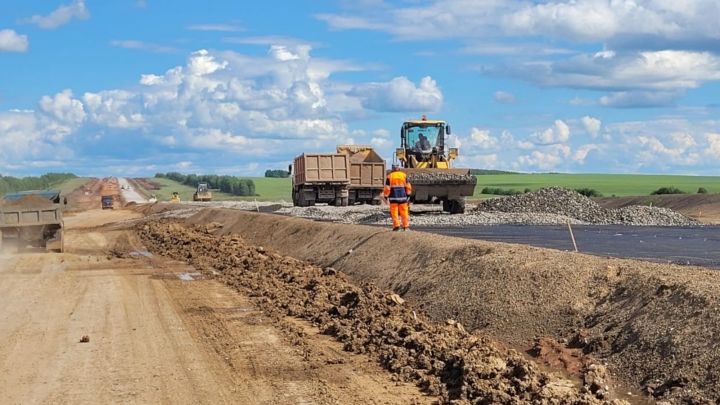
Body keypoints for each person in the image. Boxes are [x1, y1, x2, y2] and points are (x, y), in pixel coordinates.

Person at [383, 164, 412, 231]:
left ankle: (396, 227)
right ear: (399, 168)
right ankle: (406, 227)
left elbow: (387, 188)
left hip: (393, 198)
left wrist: (386, 196)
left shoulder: (390, 176)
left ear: (392, 169)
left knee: (394, 213)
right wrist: (408, 195)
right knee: (404, 212)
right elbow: (408, 186)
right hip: (403, 197)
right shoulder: (404, 175)